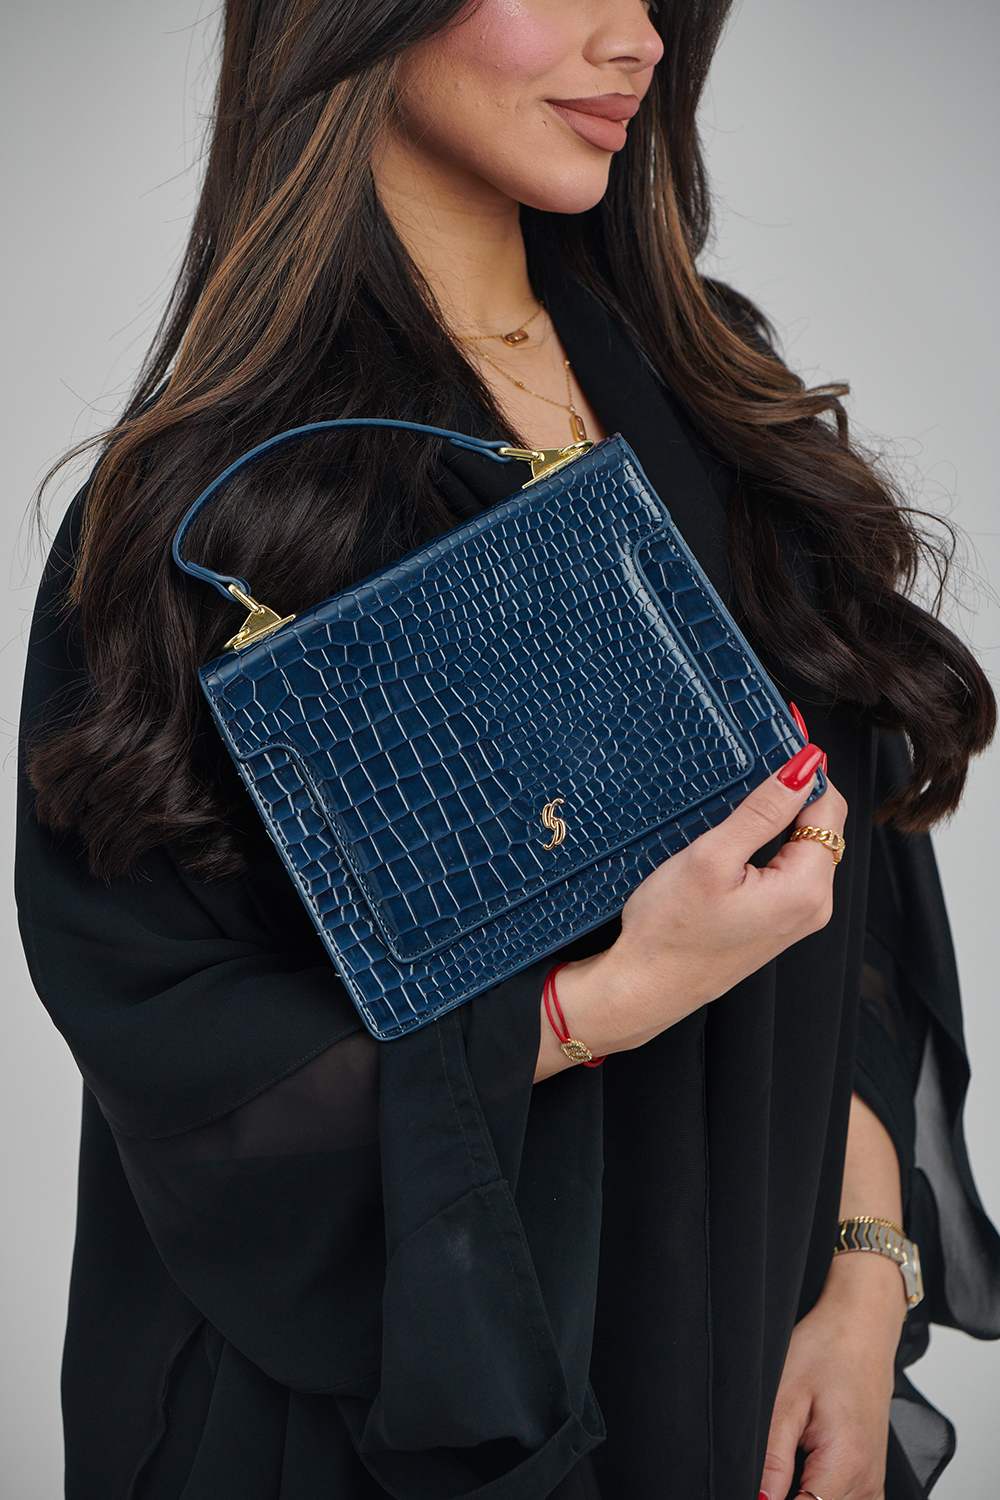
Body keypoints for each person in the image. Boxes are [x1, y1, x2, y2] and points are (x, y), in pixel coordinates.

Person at [15, 3, 1000, 1498]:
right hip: (398, 1424)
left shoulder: (715, 388)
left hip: (749, 1363)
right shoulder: (210, 515)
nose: (640, 39)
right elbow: (184, 1062)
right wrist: (609, 999)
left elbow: (860, 891)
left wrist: (866, 1271)